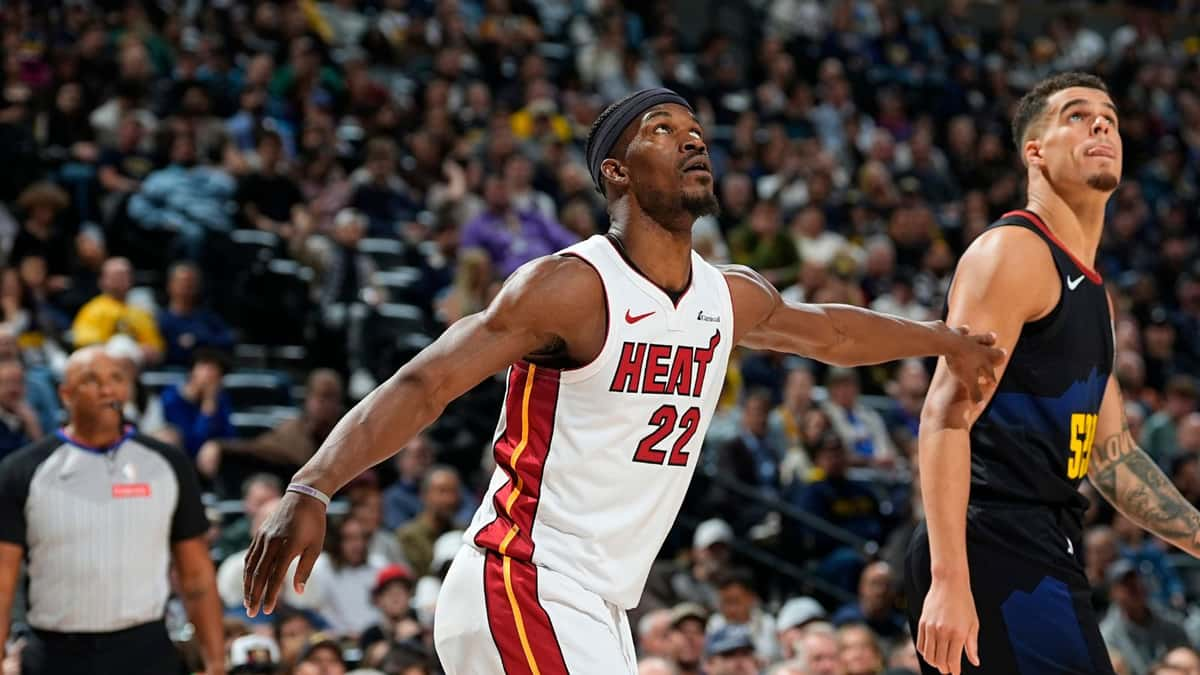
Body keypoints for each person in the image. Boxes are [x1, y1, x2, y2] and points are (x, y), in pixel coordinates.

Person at [241, 88, 1003, 674]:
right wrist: (312, 485)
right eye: (664, 131)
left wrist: (942, 339)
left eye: (696, 130)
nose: (692, 139)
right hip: (521, 574)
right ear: (616, 170)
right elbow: (425, 383)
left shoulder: (724, 294)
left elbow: (832, 330)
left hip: (603, 604)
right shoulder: (570, 287)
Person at [906, 71, 1200, 675]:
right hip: (990, 540)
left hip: (1042, 541)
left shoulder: (1095, 294)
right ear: (1033, 152)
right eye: (1076, 114)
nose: (1101, 124)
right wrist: (949, 580)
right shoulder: (1014, 252)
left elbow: (1113, 460)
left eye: (1110, 118)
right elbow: (944, 416)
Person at [0, 346, 223, 674]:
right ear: (65, 394)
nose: (107, 388)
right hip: (56, 653)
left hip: (145, 650)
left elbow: (197, 577)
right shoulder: (22, 470)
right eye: (91, 380)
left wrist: (216, 662)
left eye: (116, 378)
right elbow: (3, 581)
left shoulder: (168, 464)